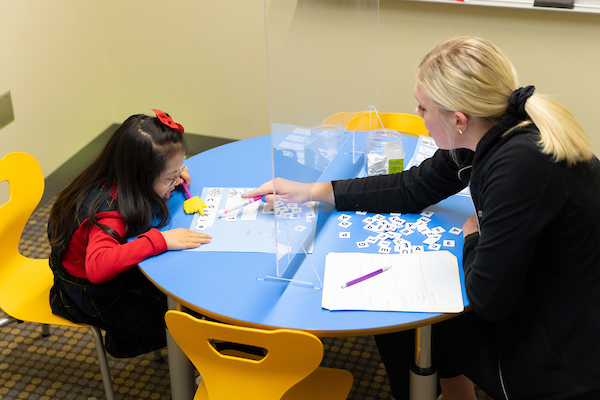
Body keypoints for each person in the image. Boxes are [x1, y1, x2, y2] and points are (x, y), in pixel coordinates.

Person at [243, 37, 600, 400]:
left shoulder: (519, 166)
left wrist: (473, 238)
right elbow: (413, 187)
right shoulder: (489, 131)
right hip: (545, 292)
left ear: (458, 119)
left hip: (563, 354)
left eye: (422, 107)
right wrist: (313, 192)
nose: (418, 116)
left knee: (403, 321)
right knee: (403, 318)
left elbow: (489, 300)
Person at [48, 110, 212, 358]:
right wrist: (161, 240)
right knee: (182, 312)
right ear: (142, 177)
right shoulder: (110, 214)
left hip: (83, 269)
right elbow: (98, 267)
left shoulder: (115, 174)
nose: (178, 178)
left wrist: (173, 176)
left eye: (179, 169)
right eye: (171, 176)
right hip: (88, 294)